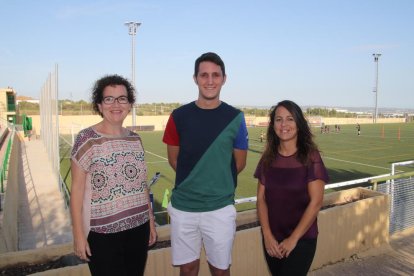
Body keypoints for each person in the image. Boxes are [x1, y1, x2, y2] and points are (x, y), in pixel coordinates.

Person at [163, 52, 248, 276]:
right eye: (204, 75)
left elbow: (239, 163)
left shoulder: (236, 117)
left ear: (224, 78)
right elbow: (174, 160)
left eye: (215, 75)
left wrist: (214, 183)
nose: (210, 81)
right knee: (188, 269)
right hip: (184, 208)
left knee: (220, 270)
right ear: (195, 78)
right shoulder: (178, 116)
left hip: (220, 208)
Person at [70, 75, 157, 276]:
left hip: (139, 227)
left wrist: (150, 221)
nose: (116, 104)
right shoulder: (86, 139)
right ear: (99, 105)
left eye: (122, 98)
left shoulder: (135, 139)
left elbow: (142, 184)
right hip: (102, 235)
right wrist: (78, 235)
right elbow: (77, 191)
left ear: (129, 104)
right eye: (109, 99)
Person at [254, 100, 329, 276]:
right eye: (279, 119)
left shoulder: (311, 157)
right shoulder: (268, 158)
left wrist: (293, 239)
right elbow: (261, 199)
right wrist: (267, 236)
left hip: (302, 238)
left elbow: (316, 202)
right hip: (272, 240)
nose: (284, 124)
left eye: (290, 119)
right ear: (273, 125)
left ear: (299, 123)